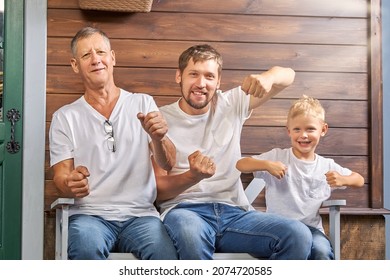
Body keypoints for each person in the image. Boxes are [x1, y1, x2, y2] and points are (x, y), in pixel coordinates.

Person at [153, 44, 313, 260]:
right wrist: (193, 176)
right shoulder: (159, 119)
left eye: (209, 76)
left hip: (235, 214)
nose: (201, 83)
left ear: (218, 82)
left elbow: (289, 76)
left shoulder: (231, 103)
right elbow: (159, 191)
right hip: (185, 211)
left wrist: (268, 77)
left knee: (298, 235)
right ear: (179, 76)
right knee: (189, 233)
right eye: (193, 74)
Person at [49, 27, 178, 260]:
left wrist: (159, 138)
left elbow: (168, 163)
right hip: (89, 216)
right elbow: (61, 178)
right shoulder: (64, 117)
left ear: (112, 58)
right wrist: (71, 183)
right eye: (86, 55)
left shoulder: (143, 102)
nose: (96, 59)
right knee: (85, 248)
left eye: (101, 52)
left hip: (141, 216)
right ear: (75, 65)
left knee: (165, 256)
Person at [236, 95, 365, 260]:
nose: (303, 135)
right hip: (279, 230)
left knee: (322, 252)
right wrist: (267, 165)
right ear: (288, 131)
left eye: (310, 129)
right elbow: (241, 164)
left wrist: (344, 179)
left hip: (313, 230)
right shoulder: (277, 156)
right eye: (297, 129)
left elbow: (359, 179)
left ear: (323, 130)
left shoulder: (326, 165)